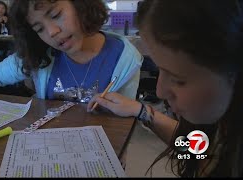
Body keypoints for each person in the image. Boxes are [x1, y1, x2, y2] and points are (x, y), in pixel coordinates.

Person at [87, 0, 243, 177]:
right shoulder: (221, 128)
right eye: (160, 68)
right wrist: (142, 111)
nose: (160, 91)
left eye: (178, 80)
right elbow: (197, 149)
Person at [0, 0, 143, 115]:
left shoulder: (125, 59)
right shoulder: (41, 54)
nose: (52, 32)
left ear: (80, 4)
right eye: (38, 28)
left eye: (56, 15)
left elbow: (124, 121)